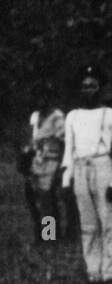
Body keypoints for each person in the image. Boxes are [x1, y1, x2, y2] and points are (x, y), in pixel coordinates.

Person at [61, 64, 112, 284]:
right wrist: (65, 179)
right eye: (84, 86)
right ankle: (93, 272)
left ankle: (111, 272)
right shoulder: (72, 116)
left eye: (93, 86)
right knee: (88, 225)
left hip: (103, 167)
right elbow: (68, 150)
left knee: (108, 222)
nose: (88, 90)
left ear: (100, 89)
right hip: (81, 168)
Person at [21, 84, 65, 245]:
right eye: (37, 97)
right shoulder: (35, 116)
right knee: (32, 198)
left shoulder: (57, 117)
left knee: (46, 200)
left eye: (44, 97)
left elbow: (63, 142)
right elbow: (31, 137)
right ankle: (39, 233)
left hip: (51, 161)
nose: (41, 101)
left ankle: (50, 237)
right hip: (35, 161)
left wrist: (62, 165)